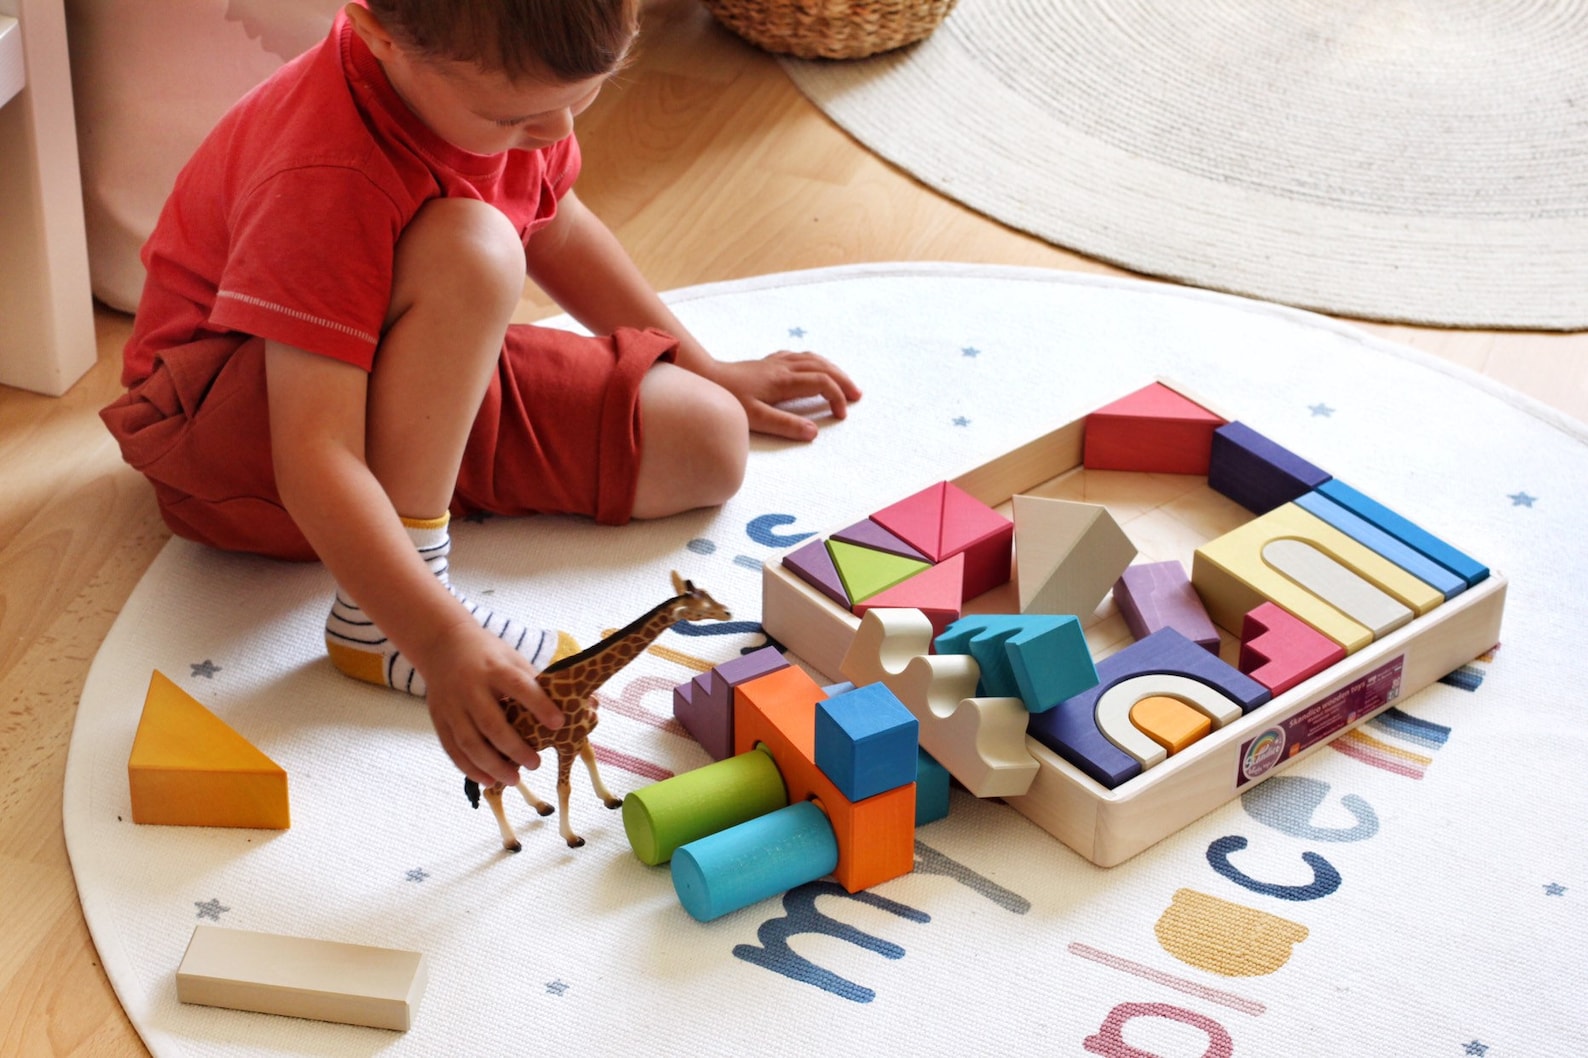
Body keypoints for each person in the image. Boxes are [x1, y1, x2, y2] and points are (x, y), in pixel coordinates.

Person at [99, 0, 861, 794]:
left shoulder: (492, 88)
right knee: (475, 246)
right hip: (231, 436)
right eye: (515, 115)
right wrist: (435, 634)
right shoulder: (325, 171)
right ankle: (376, 611)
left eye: (583, 95)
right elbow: (313, 452)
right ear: (379, 34)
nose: (552, 129)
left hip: (395, 371)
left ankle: (401, 521)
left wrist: (707, 367)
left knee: (706, 437)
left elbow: (555, 223)